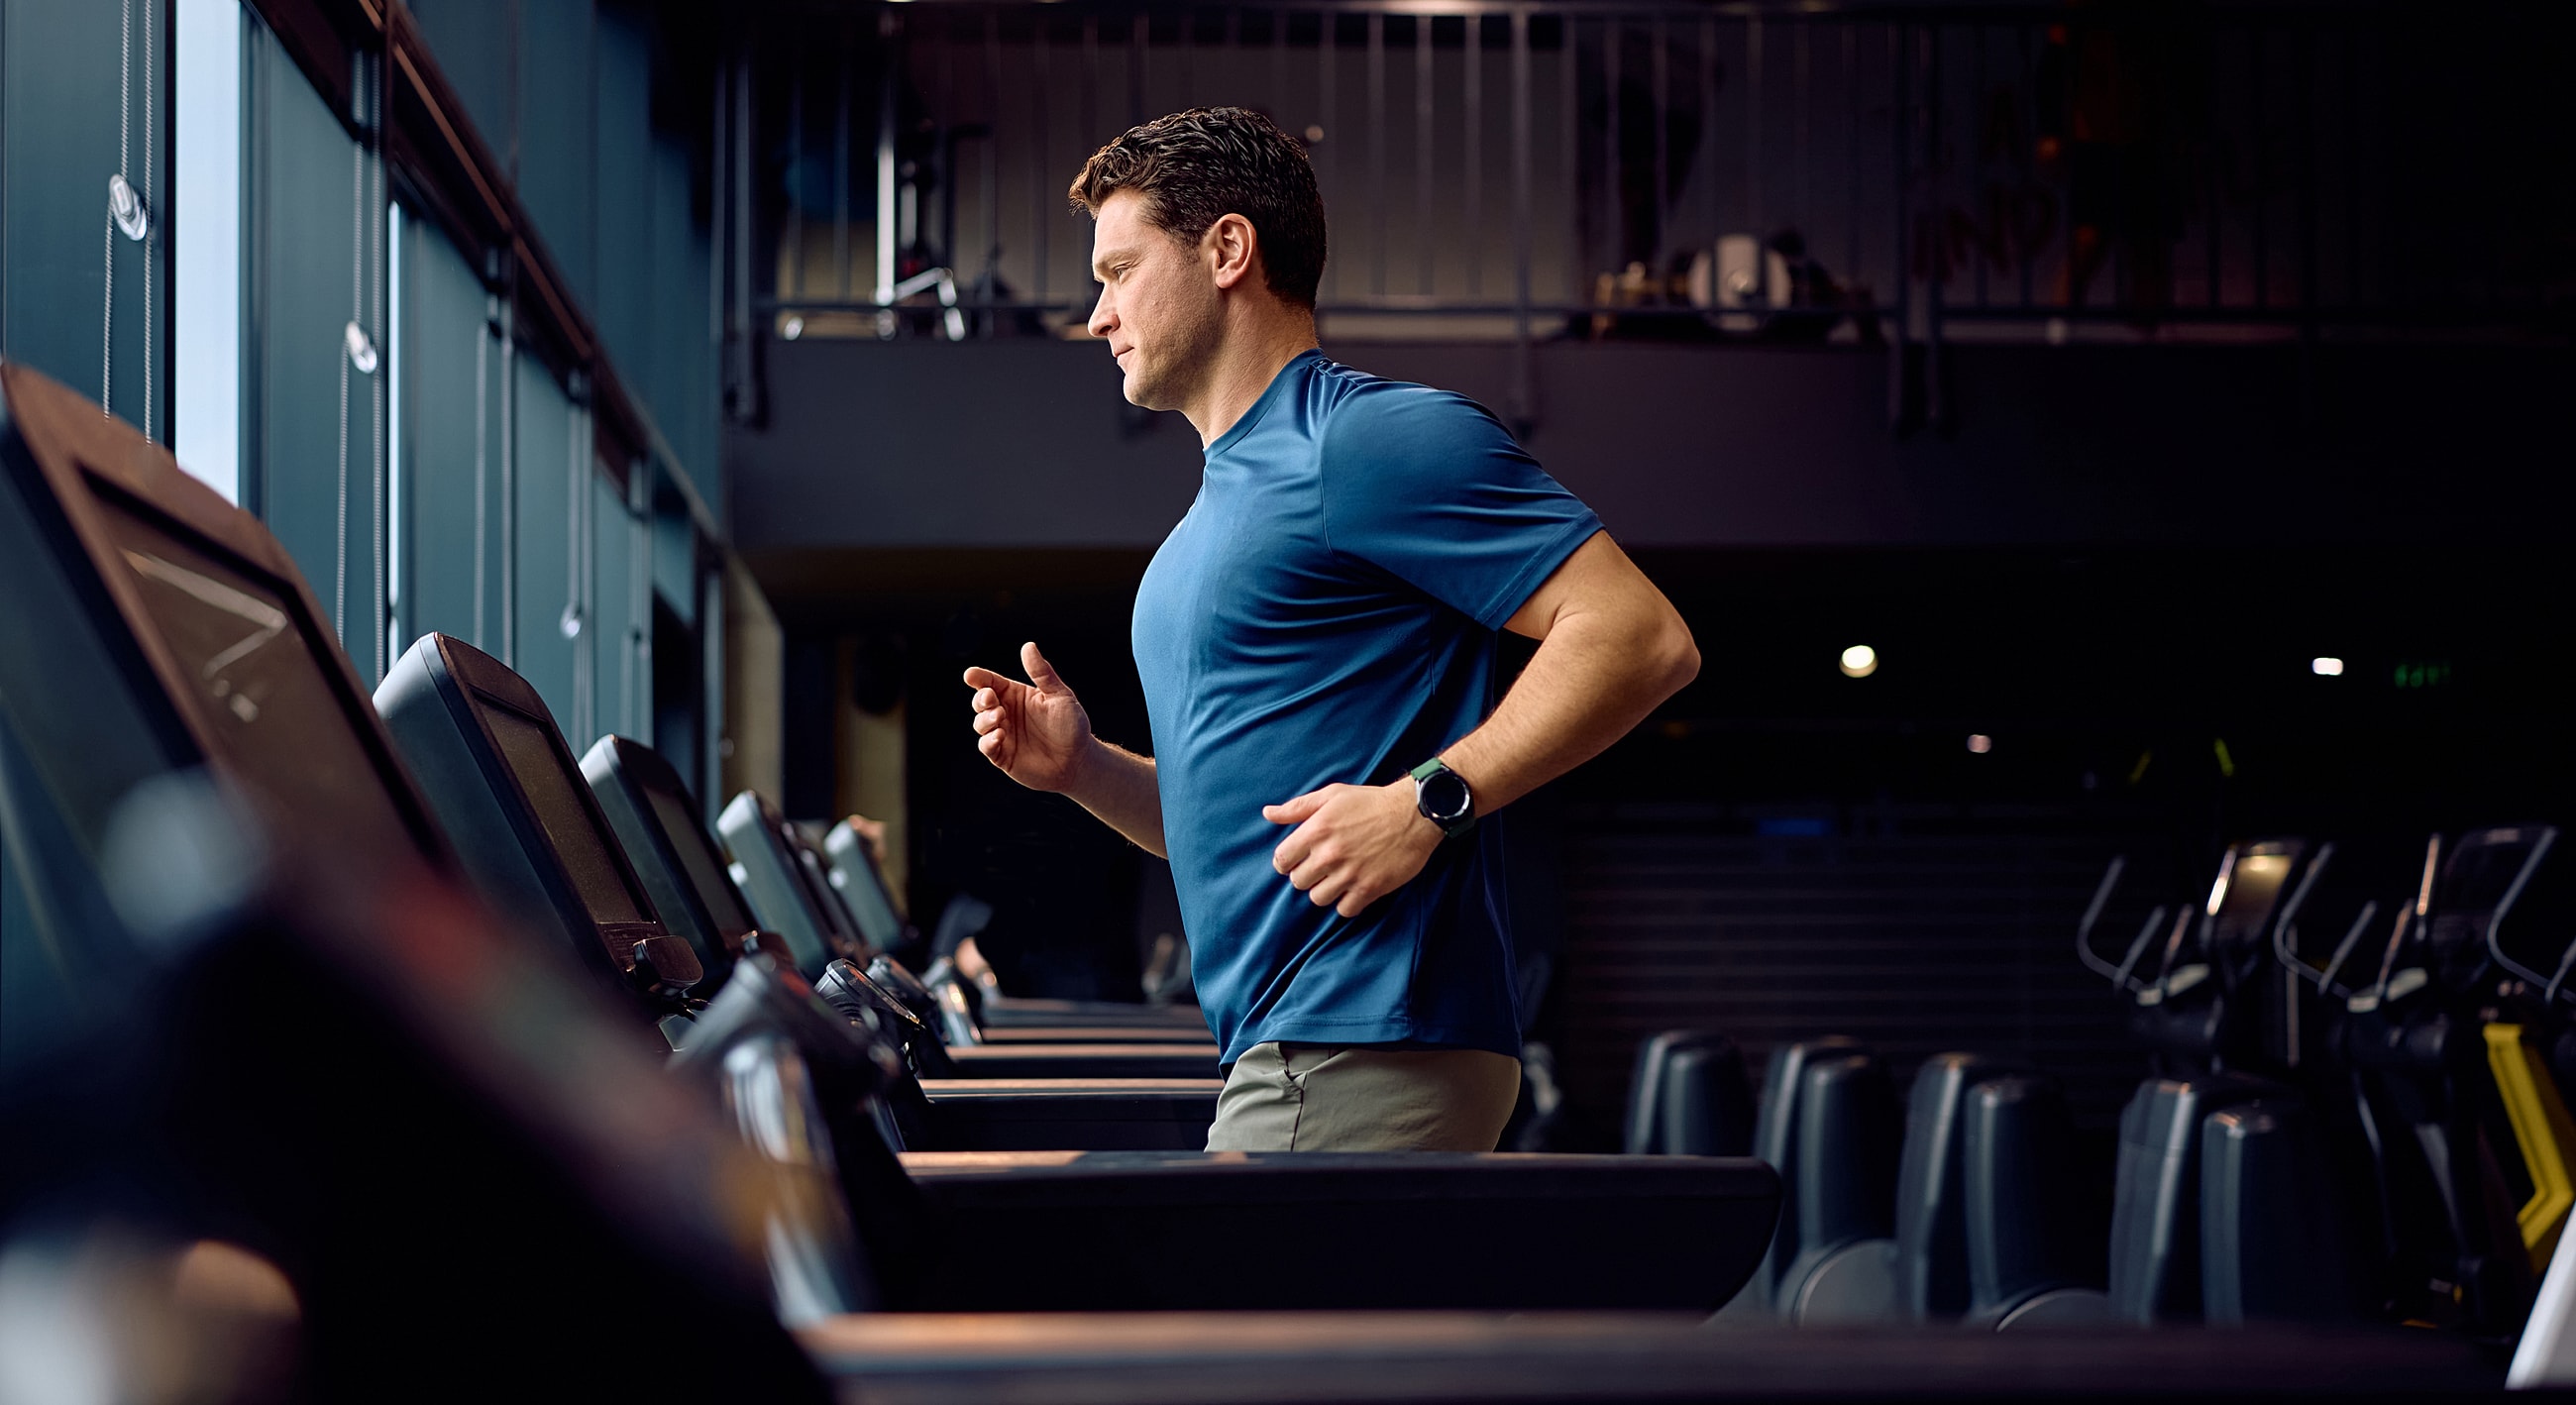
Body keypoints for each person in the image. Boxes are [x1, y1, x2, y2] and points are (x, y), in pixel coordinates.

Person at [963, 107, 1698, 1152]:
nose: (1096, 315)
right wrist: (1085, 770)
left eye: (1118, 271)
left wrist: (1426, 800)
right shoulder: (1211, 517)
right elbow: (1248, 839)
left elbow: (1637, 635)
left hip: (1356, 1045)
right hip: (1298, 1043)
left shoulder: (1359, 439)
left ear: (1226, 249)